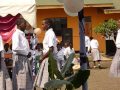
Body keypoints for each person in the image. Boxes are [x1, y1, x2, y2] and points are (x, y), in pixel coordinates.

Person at [35, 18, 59, 90]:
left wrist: (42, 58)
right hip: (47, 58)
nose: (41, 26)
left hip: (49, 59)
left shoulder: (50, 34)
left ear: (48, 25)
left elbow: (51, 49)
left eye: (43, 24)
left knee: (48, 83)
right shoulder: (48, 33)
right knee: (46, 82)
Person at [12, 18, 33, 90]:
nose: (26, 26)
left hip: (24, 59)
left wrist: (29, 54)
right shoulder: (16, 34)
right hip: (20, 60)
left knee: (26, 81)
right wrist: (26, 53)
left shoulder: (22, 35)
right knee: (21, 82)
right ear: (20, 24)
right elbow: (15, 48)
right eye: (25, 24)